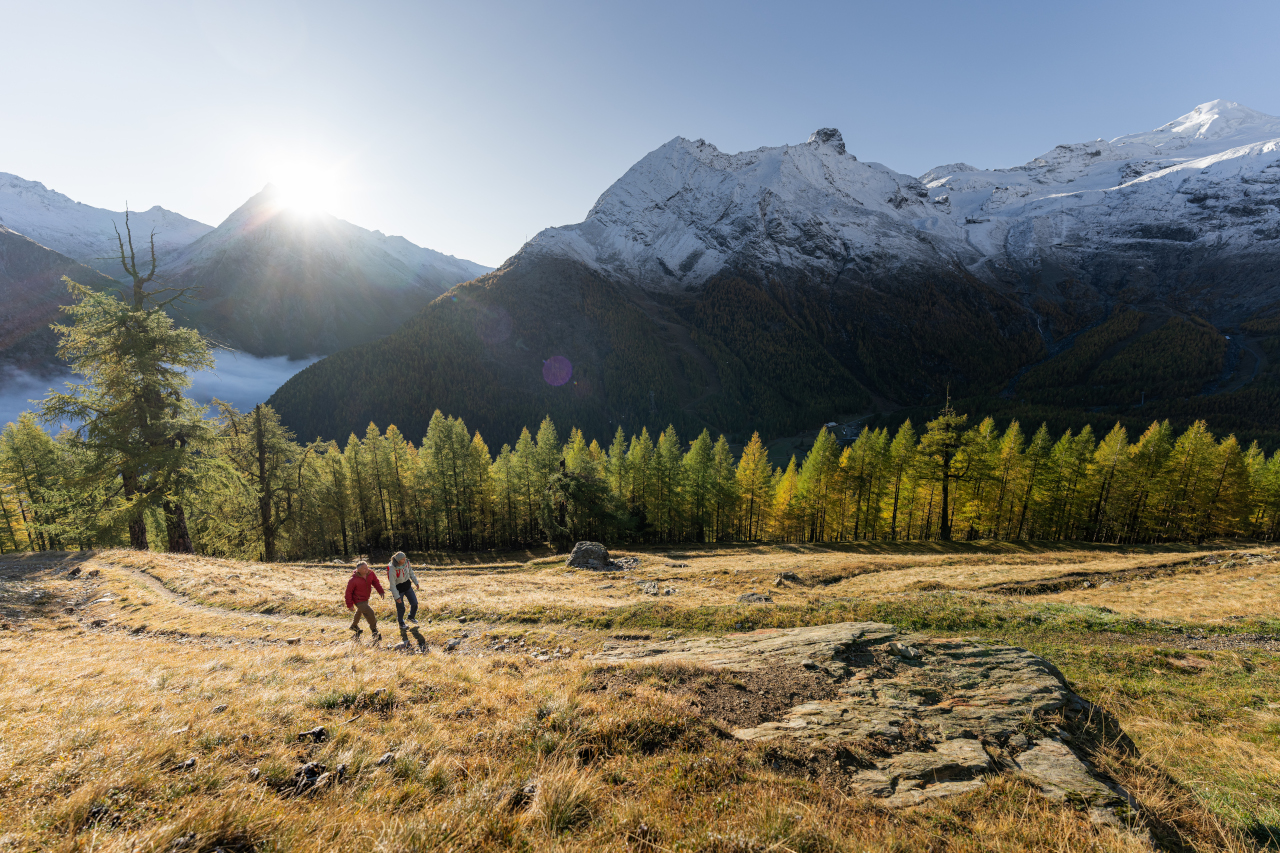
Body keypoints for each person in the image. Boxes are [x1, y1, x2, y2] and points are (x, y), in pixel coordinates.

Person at [345, 560, 385, 641]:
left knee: (359, 611)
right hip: (358, 600)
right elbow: (348, 593)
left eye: (367, 567)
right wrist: (350, 605)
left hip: (366, 598)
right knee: (370, 613)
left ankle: (354, 626)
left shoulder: (370, 573)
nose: (366, 570)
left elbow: (376, 582)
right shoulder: (353, 580)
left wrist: (380, 591)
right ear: (358, 571)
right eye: (364, 569)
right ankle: (374, 631)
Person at [386, 551, 421, 627]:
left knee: (414, 603)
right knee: (401, 608)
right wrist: (396, 597)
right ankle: (401, 622)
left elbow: (411, 573)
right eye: (403, 559)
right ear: (398, 560)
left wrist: (416, 582)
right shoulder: (392, 568)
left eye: (405, 558)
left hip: (407, 586)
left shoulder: (407, 563)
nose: (405, 560)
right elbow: (392, 584)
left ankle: (411, 617)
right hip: (398, 589)